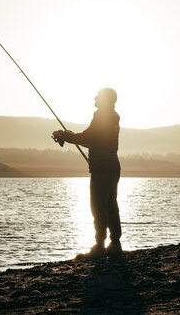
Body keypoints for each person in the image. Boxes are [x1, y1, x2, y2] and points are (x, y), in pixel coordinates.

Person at [52, 88, 122, 259]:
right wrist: (68, 136)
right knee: (111, 206)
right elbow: (94, 140)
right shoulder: (113, 116)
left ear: (105, 100)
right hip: (113, 167)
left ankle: (99, 246)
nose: (95, 97)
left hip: (102, 168)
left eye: (98, 96)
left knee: (98, 207)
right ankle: (115, 244)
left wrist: (64, 135)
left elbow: (86, 138)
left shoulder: (101, 116)